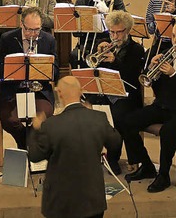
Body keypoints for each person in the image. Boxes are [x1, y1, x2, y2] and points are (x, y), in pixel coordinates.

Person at [122, 18, 176, 193]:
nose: (174, 41)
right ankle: (146, 165)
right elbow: (157, 87)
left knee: (168, 131)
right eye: (173, 36)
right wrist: (152, 70)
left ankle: (163, 175)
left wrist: (173, 73)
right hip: (163, 105)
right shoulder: (169, 54)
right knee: (127, 122)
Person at [28, 76, 121, 218]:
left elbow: (34, 156)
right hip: (93, 201)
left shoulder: (51, 125)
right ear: (81, 91)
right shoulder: (98, 118)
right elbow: (115, 143)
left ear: (59, 93)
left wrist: (36, 129)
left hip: (60, 203)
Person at [85, 10, 144, 175]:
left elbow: (132, 79)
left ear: (127, 31)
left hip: (126, 96)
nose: (115, 36)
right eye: (112, 32)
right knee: (85, 112)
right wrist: (98, 53)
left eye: (119, 32)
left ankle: (113, 157)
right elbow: (92, 70)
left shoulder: (136, 50)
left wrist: (115, 62)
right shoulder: (105, 44)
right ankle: (92, 154)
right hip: (104, 93)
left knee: (115, 118)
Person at [0, 7, 58, 150]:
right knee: (9, 120)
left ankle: (28, 145)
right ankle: (26, 142)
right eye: (29, 29)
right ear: (21, 24)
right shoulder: (8, 39)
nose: (33, 34)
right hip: (13, 90)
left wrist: (43, 66)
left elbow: (56, 72)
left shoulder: (48, 39)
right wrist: (12, 67)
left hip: (39, 91)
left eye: (37, 30)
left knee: (42, 117)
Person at [70, 0, 127, 69]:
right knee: (74, 56)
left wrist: (108, 12)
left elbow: (125, 22)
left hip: (108, 41)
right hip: (88, 41)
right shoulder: (82, 0)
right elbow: (75, 33)